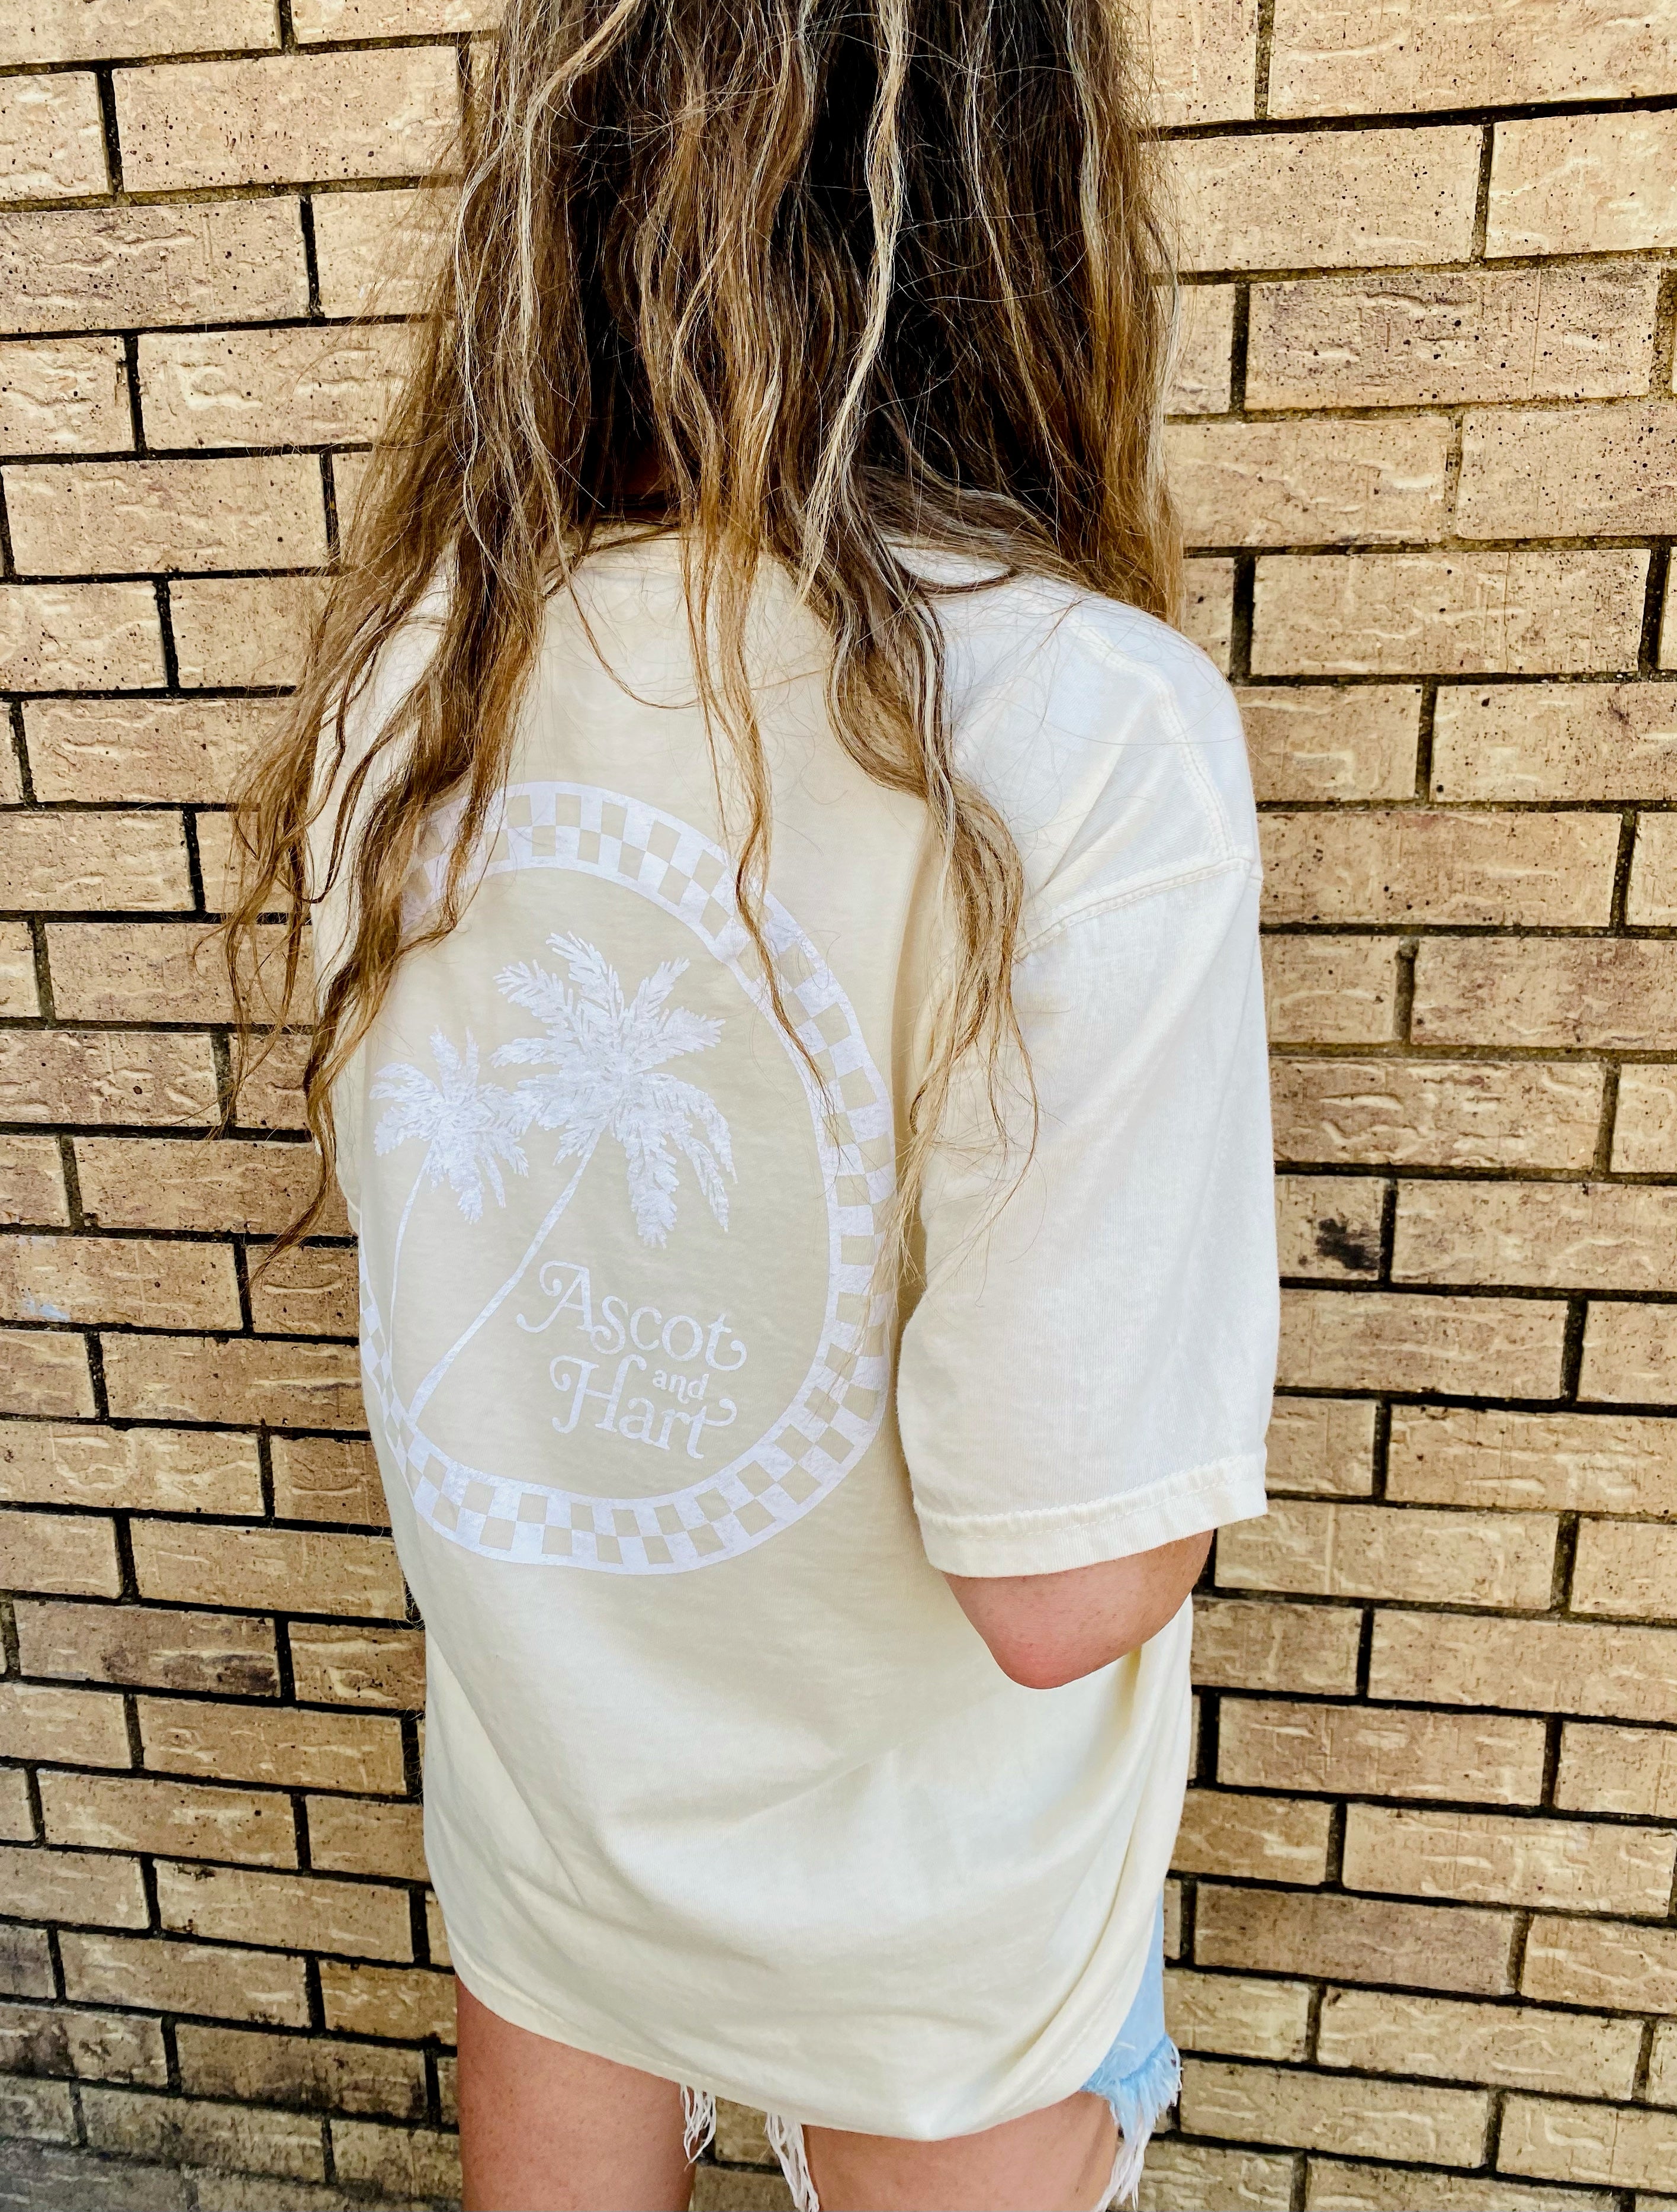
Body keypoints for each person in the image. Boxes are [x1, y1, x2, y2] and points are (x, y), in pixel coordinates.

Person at [223, 3, 1279, 2206]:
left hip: (557, 1828)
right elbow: (1067, 1589)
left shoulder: (410, 690)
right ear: (1021, 200)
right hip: (930, 1924)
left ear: (560, 201)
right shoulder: (1077, 730)